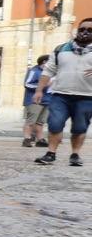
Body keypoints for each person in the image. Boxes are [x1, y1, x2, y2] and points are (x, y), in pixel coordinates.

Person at [33, 16, 92, 167]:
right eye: (82, 29)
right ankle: (51, 153)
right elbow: (48, 71)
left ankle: (75, 154)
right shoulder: (61, 49)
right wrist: (39, 90)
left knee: (79, 128)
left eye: (90, 30)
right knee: (55, 124)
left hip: (87, 97)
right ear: (77, 30)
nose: (85, 32)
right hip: (60, 95)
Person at [23, 55, 50, 148]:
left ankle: (40, 140)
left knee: (40, 122)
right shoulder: (34, 71)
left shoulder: (50, 73)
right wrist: (43, 86)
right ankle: (27, 139)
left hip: (47, 100)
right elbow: (27, 84)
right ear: (44, 61)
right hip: (34, 100)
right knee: (31, 121)